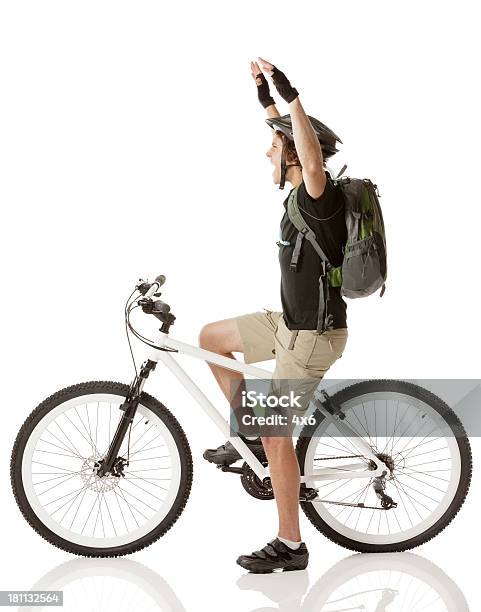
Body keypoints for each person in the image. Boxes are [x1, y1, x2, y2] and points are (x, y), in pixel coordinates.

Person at [199, 57, 348, 573]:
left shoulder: (318, 198)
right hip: (288, 322)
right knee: (209, 338)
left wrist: (292, 96)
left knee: (276, 432)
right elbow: (284, 137)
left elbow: (309, 160)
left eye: (274, 146)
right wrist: (264, 95)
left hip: (313, 336)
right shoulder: (294, 197)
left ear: (294, 155)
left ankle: (291, 544)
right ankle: (255, 441)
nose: (267, 150)